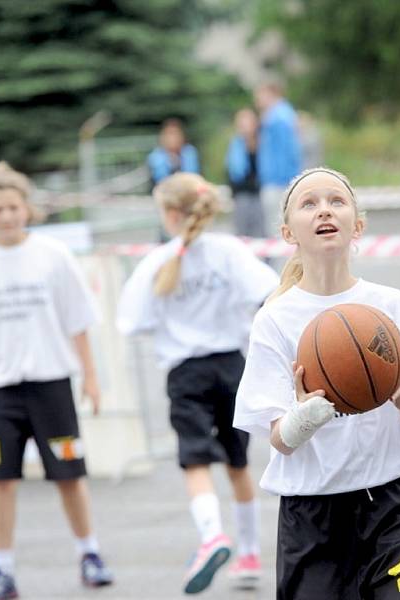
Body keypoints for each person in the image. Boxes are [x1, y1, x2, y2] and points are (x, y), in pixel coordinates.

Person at [233, 167, 400, 599]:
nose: (325, 210)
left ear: (357, 225)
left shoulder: (390, 306)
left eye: (336, 201)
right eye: (310, 203)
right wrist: (309, 411)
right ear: (288, 232)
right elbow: (280, 440)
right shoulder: (275, 320)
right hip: (312, 514)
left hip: (393, 504)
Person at [116, 172, 279, 594]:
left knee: (195, 461)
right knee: (238, 461)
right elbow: (268, 293)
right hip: (231, 367)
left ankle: (211, 536)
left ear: (170, 215)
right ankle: (248, 554)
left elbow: (131, 321)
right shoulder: (229, 251)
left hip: (186, 373)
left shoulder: (157, 262)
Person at [0, 162, 113, 599]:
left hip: (51, 384)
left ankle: (90, 553)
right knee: (1, 481)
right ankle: (1, 570)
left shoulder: (52, 256)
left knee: (68, 475)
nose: (6, 216)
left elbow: (78, 322)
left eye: (13, 207)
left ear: (27, 209)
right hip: (0, 390)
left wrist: (92, 377)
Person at [253, 81, 302, 237]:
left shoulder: (277, 118)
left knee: (277, 228)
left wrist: (285, 179)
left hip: (278, 181)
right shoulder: (281, 115)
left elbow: (286, 152)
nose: (257, 99)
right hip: (278, 179)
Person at [226, 108, 265, 239]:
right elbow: (233, 171)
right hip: (242, 193)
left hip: (261, 192)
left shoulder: (265, 142)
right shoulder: (236, 144)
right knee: (242, 231)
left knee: (262, 230)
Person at [147, 119, 201, 187]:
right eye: (169, 135)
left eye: (176, 135)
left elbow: (193, 175)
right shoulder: (156, 156)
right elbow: (160, 179)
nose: (173, 139)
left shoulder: (189, 152)